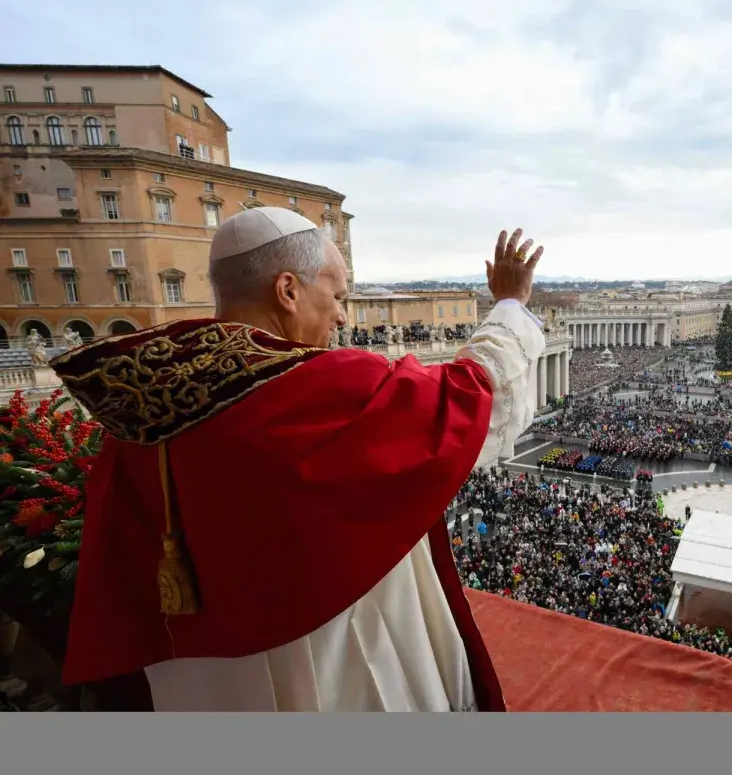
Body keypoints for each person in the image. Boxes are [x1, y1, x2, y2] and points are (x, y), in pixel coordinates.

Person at [50, 209, 547, 712]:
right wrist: (510, 305)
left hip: (201, 677)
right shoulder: (318, 388)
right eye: (336, 297)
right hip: (331, 657)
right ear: (287, 291)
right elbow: (470, 396)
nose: (342, 317)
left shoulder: (141, 411)